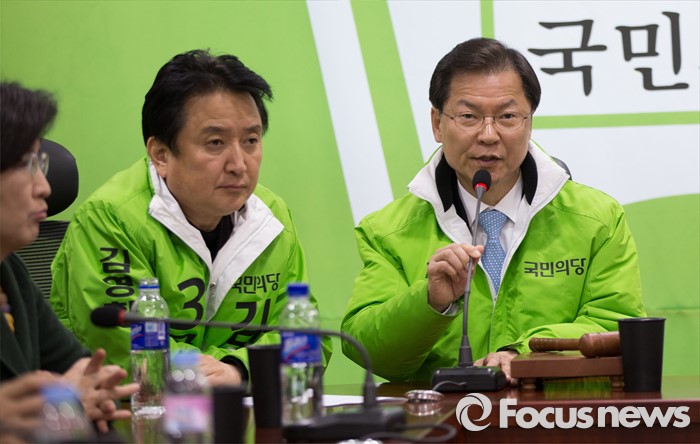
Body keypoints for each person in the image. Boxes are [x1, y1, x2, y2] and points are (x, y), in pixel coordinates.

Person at [341, 38, 646, 383]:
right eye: (468, 116)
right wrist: (429, 302)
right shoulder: (387, 231)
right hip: (444, 414)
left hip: (559, 411)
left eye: (507, 117)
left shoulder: (597, 220)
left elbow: (616, 328)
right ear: (437, 124)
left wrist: (524, 355)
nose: (488, 135)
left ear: (529, 122)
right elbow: (368, 351)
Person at [50, 49, 332, 386]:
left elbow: (307, 337)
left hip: (239, 407)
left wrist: (238, 369)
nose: (239, 164)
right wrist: (207, 375)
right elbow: (121, 350)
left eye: (251, 140)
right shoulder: (111, 219)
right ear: (161, 154)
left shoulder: (271, 217)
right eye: (215, 143)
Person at [0, 81, 138, 441]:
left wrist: (81, 393)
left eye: (41, 163)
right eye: (27, 164)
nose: (44, 186)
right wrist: (58, 404)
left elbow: (85, 373)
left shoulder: (9, 270)